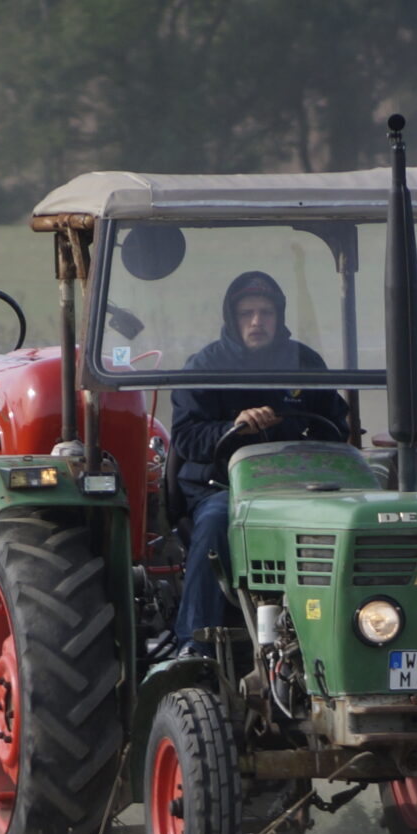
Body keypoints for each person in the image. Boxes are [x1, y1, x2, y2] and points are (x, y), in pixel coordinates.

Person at [164, 270, 349, 654]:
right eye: (247, 312)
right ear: (232, 318)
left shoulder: (305, 363)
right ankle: (193, 643)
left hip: (297, 486)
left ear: (279, 317)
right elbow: (186, 437)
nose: (256, 321)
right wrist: (234, 428)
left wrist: (303, 430)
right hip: (224, 487)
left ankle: (351, 633)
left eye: (265, 312)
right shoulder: (204, 367)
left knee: (346, 522)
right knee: (215, 523)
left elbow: (336, 426)